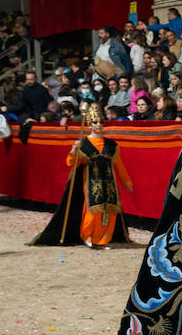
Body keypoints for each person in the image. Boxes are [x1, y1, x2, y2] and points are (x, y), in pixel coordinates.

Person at [30, 104, 135, 248]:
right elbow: (71, 163)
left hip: (109, 184)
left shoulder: (111, 145)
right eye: (95, 122)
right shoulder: (84, 143)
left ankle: (103, 240)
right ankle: (89, 237)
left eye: (101, 122)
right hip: (91, 183)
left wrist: (127, 183)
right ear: (89, 125)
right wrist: (74, 149)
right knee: (92, 212)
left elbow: (119, 165)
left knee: (109, 212)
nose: (99, 125)